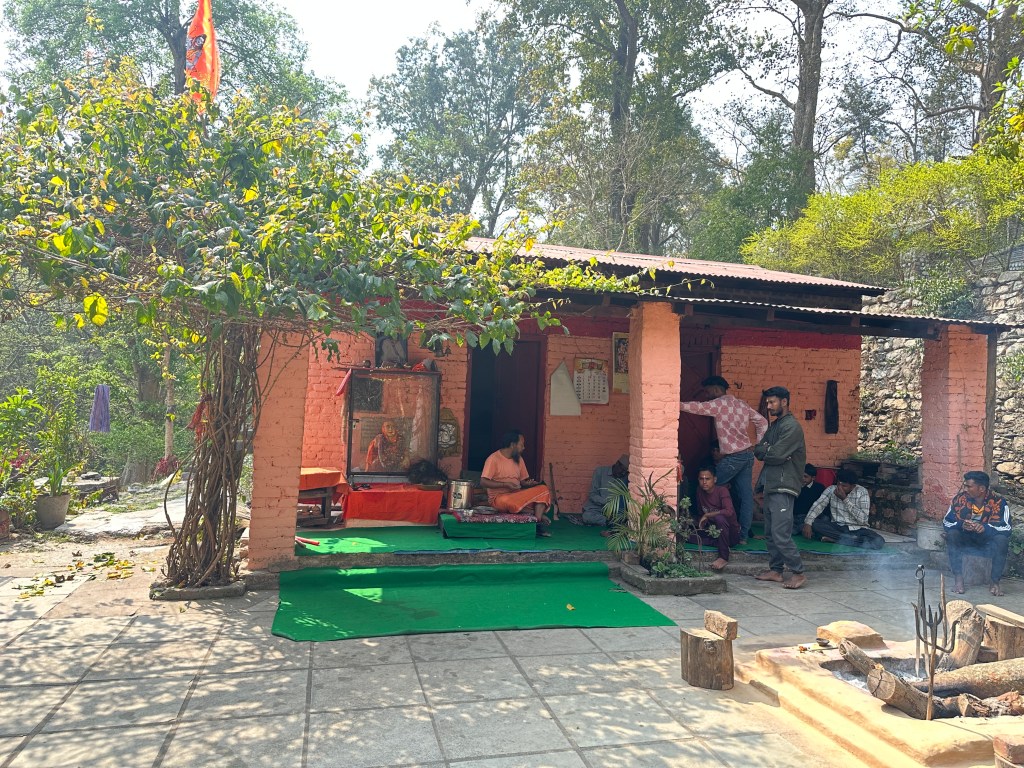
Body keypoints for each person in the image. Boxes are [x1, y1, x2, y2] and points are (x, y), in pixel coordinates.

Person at [680, 375, 768, 544]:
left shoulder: (719, 404)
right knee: (746, 497)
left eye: (707, 392)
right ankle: (742, 537)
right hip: (747, 456)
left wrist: (675, 404)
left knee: (703, 485)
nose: (706, 396)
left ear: (715, 389)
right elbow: (763, 422)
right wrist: (758, 444)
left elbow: (697, 408)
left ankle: (699, 524)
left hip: (732, 458)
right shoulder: (742, 404)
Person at [753, 386, 807, 589]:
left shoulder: (792, 427)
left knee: (780, 533)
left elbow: (775, 455)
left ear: (784, 402)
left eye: (772, 402)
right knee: (770, 531)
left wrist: (769, 451)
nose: (768, 406)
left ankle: (798, 572)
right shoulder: (775, 426)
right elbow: (759, 450)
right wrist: (769, 450)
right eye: (767, 402)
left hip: (784, 486)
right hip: (772, 485)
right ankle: (776, 571)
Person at [943, 471, 1011, 596]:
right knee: (952, 534)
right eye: (965, 486)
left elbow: (1006, 527)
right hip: (966, 538)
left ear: (981, 488)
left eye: (969, 486)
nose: (966, 489)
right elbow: (946, 522)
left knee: (1002, 540)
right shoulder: (959, 499)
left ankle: (995, 582)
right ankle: (958, 579)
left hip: (987, 541)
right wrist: (961, 525)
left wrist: (986, 528)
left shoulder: (999, 502)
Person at [481, 430, 553, 536]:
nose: (523, 448)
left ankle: (537, 523)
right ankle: (538, 515)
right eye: (521, 445)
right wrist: (504, 485)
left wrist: (528, 484)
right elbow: (483, 482)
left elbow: (522, 482)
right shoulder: (493, 459)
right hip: (499, 499)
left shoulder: (519, 459)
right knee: (510, 501)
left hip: (517, 495)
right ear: (512, 445)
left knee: (543, 489)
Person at [802, 469, 885, 550]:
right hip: (837, 527)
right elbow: (818, 505)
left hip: (858, 529)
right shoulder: (831, 489)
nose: (839, 487)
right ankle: (848, 540)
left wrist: (845, 500)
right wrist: (808, 523)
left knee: (879, 541)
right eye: (838, 484)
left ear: (853, 486)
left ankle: (837, 540)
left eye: (844, 486)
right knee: (815, 524)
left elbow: (863, 519)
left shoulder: (862, 492)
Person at [688, 465, 741, 571]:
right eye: (701, 479)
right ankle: (716, 542)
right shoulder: (699, 491)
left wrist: (708, 515)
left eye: (707, 479)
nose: (704, 482)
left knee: (719, 518)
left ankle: (723, 557)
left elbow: (729, 511)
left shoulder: (722, 491)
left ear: (715, 479)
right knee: (687, 535)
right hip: (713, 532)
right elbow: (700, 512)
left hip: (729, 534)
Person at [580, 454, 629, 527]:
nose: (622, 473)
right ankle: (608, 521)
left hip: (615, 510)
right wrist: (606, 502)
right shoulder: (600, 471)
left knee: (624, 516)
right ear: (617, 464)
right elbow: (592, 494)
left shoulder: (625, 477)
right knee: (587, 516)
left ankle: (610, 521)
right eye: (622, 470)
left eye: (625, 471)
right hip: (597, 507)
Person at [793, 464, 827, 535]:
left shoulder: (819, 488)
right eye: (801, 476)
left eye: (805, 476)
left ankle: (803, 529)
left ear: (813, 478)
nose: (802, 478)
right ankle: (803, 529)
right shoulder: (795, 486)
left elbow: (822, 505)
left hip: (812, 517)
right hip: (797, 517)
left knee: (825, 519)